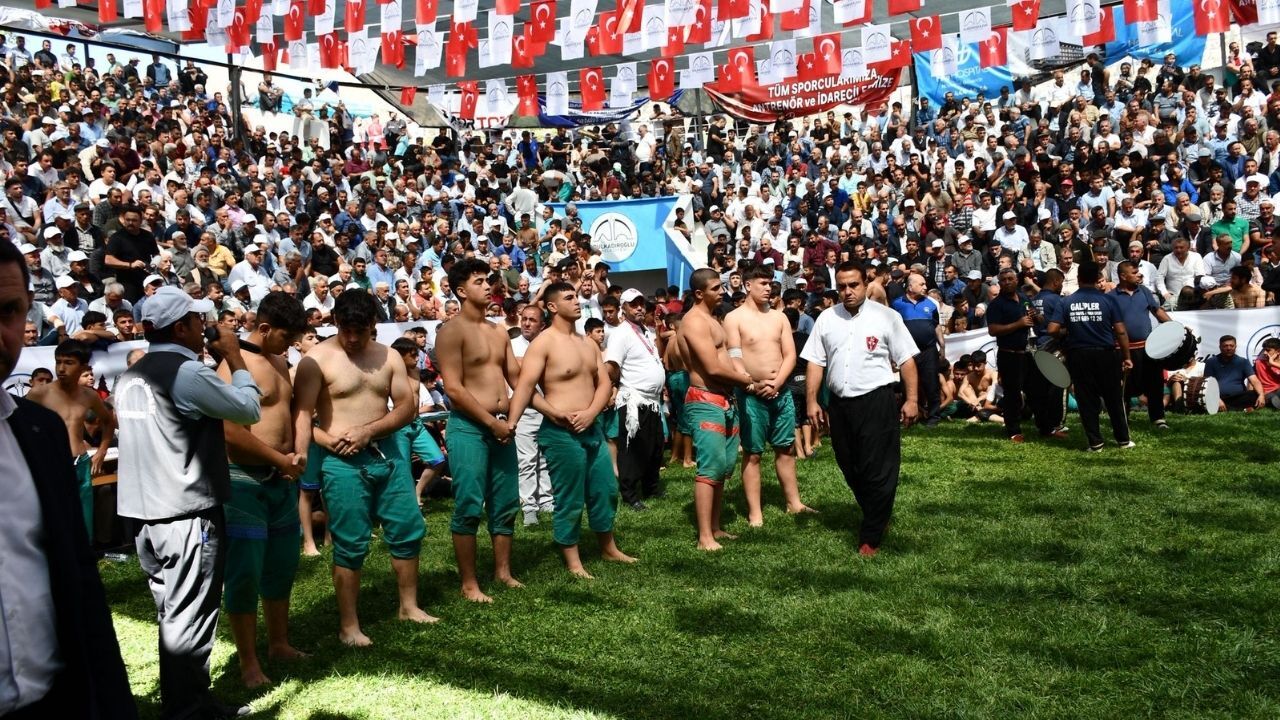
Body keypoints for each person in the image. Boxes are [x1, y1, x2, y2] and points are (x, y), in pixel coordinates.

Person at [0, 239, 135, 719]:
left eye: (8, 311)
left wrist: (97, 453)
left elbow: (78, 585)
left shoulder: (36, 432)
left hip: (54, 699)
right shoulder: (40, 403)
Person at [115, 285, 262, 720]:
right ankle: (189, 711)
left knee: (173, 615)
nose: (204, 325)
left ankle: (186, 701)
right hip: (186, 515)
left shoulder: (131, 374)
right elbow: (248, 409)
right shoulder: (188, 372)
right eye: (198, 319)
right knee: (191, 616)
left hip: (144, 515)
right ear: (180, 327)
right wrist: (234, 357)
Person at [293, 289, 435, 648]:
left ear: (374, 324)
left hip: (388, 454)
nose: (353, 338)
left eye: (361, 330)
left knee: (407, 529)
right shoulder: (316, 359)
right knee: (350, 541)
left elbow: (406, 407)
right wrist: (329, 442)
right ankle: (349, 625)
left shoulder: (389, 356)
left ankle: (408, 606)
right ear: (335, 322)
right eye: (346, 329)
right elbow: (301, 417)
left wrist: (368, 431)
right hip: (342, 461)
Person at [507, 282, 637, 576]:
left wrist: (591, 413)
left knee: (605, 489)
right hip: (560, 432)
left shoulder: (588, 343)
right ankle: (573, 559)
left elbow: (604, 383)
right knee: (570, 497)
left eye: (576, 296)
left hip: (591, 427)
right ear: (552, 307)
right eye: (569, 298)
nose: (577, 301)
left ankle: (608, 548)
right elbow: (525, 387)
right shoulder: (543, 343)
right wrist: (536, 417)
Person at [216, 291, 310, 687]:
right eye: (286, 337)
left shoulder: (278, 360)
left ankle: (279, 643)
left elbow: (293, 413)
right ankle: (248, 662)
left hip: (281, 477)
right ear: (266, 328)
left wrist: (297, 454)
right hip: (243, 479)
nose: (290, 345)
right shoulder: (232, 366)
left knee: (281, 565)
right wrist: (280, 460)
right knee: (244, 573)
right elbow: (230, 431)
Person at [802, 261, 920, 557]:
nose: (847, 291)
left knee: (878, 467)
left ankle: (870, 536)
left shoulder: (887, 317)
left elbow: (906, 360)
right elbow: (815, 362)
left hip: (876, 400)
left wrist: (912, 399)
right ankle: (877, 513)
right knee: (849, 465)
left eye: (853, 285)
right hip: (840, 404)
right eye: (842, 286)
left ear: (866, 284)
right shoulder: (826, 319)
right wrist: (812, 400)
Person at [434, 258, 523, 603]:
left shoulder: (499, 331)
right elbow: (454, 390)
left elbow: (516, 378)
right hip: (471, 427)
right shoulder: (450, 331)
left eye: (488, 280)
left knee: (506, 501)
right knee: (469, 503)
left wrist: (512, 419)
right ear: (460, 291)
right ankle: (469, 583)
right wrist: (493, 423)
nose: (488, 286)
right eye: (479, 281)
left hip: (503, 425)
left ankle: (503, 572)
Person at [724, 263, 814, 526]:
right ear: (747, 285)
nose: (769, 288)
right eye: (763, 283)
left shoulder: (780, 317)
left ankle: (794, 503)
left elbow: (790, 355)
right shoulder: (734, 318)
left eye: (771, 284)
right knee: (753, 453)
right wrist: (751, 384)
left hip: (781, 391)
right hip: (751, 394)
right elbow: (734, 356)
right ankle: (755, 512)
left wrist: (777, 383)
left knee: (786, 448)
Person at [678, 269, 759, 551]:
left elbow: (725, 358)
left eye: (721, 286)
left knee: (722, 468)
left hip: (724, 399)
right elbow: (711, 368)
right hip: (705, 400)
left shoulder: (713, 319)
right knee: (710, 467)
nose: (722, 291)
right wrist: (746, 380)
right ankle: (704, 537)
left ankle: (715, 527)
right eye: (715, 288)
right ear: (699, 293)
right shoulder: (694, 322)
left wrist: (741, 376)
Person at [25, 339, 115, 538]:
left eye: (68, 362)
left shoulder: (89, 396)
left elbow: (108, 422)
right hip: (52, 465)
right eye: (58, 362)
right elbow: (20, 426)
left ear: (83, 366)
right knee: (54, 524)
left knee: (83, 523)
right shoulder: (40, 394)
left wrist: (101, 452)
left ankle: (85, 555)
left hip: (81, 463)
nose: (61, 368)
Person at [1046, 263, 1134, 452]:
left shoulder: (1066, 301)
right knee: (1114, 397)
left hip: (1078, 355)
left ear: (1078, 278)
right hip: (1106, 354)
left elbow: (1052, 329)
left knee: (1086, 399)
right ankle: (1123, 440)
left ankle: (1095, 443)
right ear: (1096, 279)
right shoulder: (1109, 300)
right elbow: (1120, 331)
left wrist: (1068, 331)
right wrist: (1127, 357)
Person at [604, 289, 668, 511]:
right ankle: (630, 494)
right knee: (632, 448)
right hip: (634, 398)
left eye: (641, 303)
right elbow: (612, 365)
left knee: (654, 445)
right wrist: (616, 386)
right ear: (623, 308)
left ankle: (651, 487)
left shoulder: (644, 330)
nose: (639, 307)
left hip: (652, 400)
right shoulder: (620, 333)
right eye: (633, 304)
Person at [1110, 260, 1173, 429]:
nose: (1139, 274)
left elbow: (1157, 311)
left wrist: (1175, 327)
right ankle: (1123, 419)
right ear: (1123, 276)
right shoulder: (1111, 297)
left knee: (1155, 383)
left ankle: (1158, 418)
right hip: (1122, 350)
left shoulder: (1144, 291)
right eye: (1134, 272)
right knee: (1123, 386)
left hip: (1147, 348)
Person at [510, 304, 553, 525]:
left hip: (547, 408)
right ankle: (529, 507)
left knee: (544, 459)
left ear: (542, 325)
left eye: (532, 320)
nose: (526, 323)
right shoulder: (512, 345)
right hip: (524, 411)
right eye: (524, 319)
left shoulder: (548, 343)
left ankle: (546, 500)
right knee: (526, 460)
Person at [984, 268, 1037, 443]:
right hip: (1009, 355)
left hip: (1028, 353)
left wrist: (1036, 316)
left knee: (1036, 390)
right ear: (999, 283)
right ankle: (1013, 430)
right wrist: (1018, 324)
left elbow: (1039, 320)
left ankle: (1046, 427)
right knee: (1012, 394)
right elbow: (993, 330)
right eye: (1003, 280)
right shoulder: (996, 304)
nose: (1007, 282)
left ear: (1016, 280)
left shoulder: (1024, 298)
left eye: (1010, 279)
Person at [891, 272, 944, 427]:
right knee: (906, 385)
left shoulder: (931, 303)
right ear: (910, 286)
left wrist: (942, 345)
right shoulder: (896, 304)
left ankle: (934, 417)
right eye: (921, 284)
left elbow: (936, 325)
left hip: (928, 350)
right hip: (906, 352)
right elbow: (892, 329)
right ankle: (910, 416)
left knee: (931, 383)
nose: (925, 287)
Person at [1025, 268, 1069, 437]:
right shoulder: (1058, 300)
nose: (1062, 286)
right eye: (1062, 282)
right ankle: (1057, 424)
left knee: (1040, 388)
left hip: (1036, 348)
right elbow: (1058, 327)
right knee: (1059, 385)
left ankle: (1043, 423)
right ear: (1056, 282)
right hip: (1054, 346)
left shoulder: (1034, 300)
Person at [663, 313, 695, 468]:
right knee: (687, 417)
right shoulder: (683, 339)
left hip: (673, 378)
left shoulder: (671, 340)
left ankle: (675, 455)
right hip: (684, 378)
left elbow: (666, 362)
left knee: (681, 417)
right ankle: (687, 459)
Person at [1204, 335, 1266, 411]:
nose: (1229, 348)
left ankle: (1226, 408)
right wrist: (1217, 399)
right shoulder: (1211, 362)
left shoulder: (1243, 362)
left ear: (1235, 347)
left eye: (1231, 346)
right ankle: (1242, 409)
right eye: (1225, 346)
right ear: (1220, 347)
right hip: (1218, 397)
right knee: (1208, 398)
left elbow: (1254, 380)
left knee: (1254, 394)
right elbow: (1207, 384)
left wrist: (1261, 395)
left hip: (1238, 397)